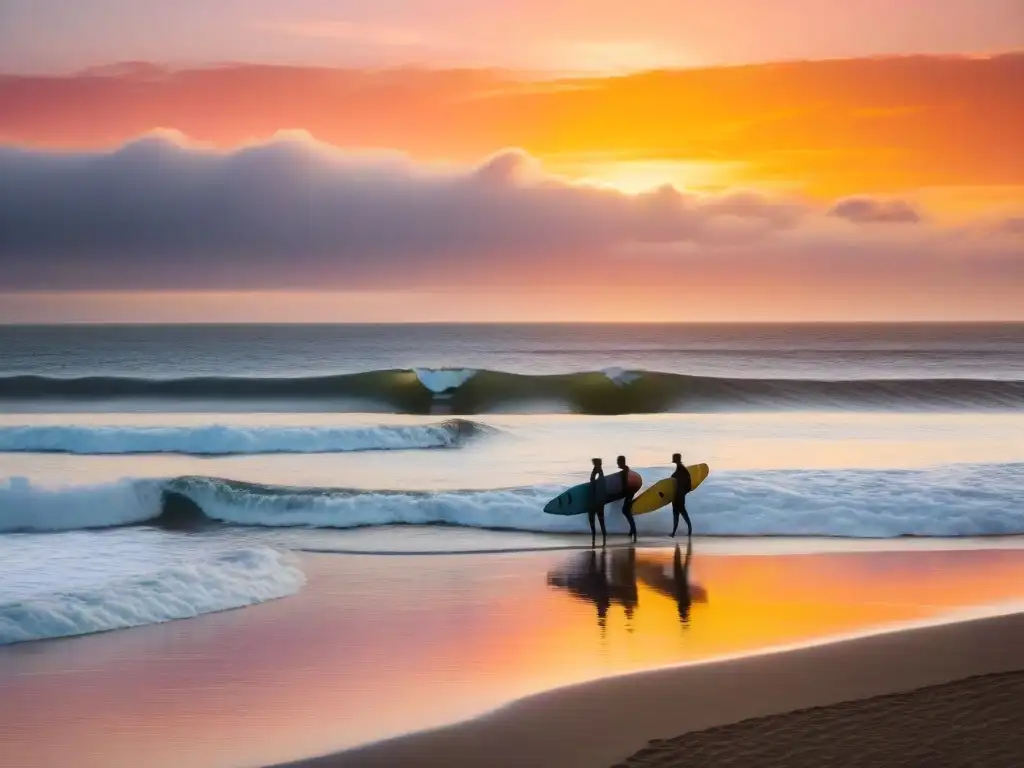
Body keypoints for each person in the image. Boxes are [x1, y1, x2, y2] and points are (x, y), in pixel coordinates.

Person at [616, 455, 638, 543]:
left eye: (618, 462)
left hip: (629, 493)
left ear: (622, 462)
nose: (617, 463)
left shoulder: (625, 471)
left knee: (626, 510)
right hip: (629, 493)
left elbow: (627, 484)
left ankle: (634, 531)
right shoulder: (626, 470)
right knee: (626, 511)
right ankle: (632, 530)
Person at [670, 452, 692, 537]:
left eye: (674, 458)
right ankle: (674, 532)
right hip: (677, 494)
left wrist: (683, 492)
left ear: (677, 459)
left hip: (679, 495)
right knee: (676, 513)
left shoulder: (682, 469)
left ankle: (689, 530)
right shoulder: (679, 468)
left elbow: (688, 483)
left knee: (682, 512)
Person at [588, 457, 607, 548]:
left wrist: (595, 471)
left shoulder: (599, 472)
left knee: (595, 520)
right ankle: (602, 538)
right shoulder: (599, 472)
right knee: (599, 520)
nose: (593, 465)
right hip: (598, 501)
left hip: (596, 501)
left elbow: (592, 481)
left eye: (594, 464)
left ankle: (595, 538)